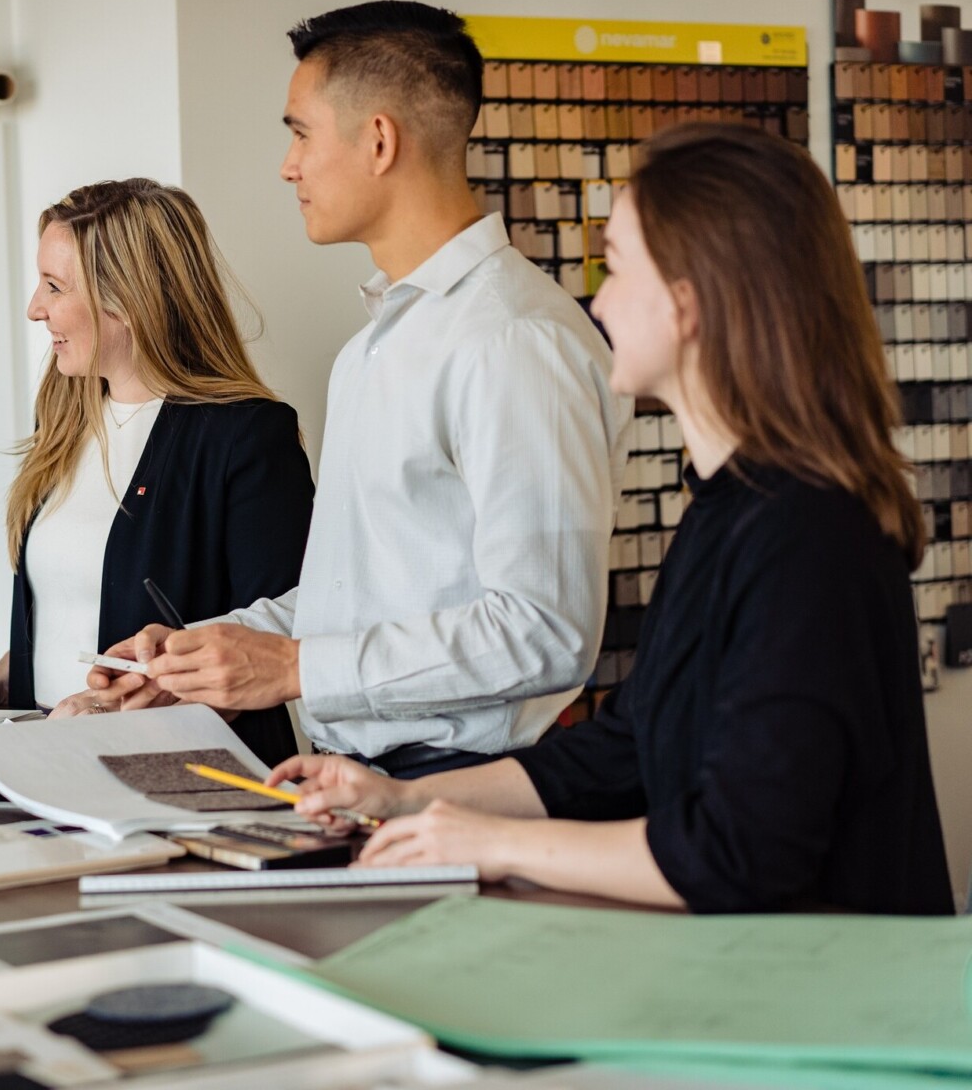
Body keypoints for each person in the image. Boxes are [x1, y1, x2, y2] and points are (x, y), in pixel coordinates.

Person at [274, 122, 955, 916]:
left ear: (689, 302)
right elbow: (627, 745)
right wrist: (403, 799)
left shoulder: (808, 536)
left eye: (618, 267)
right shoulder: (730, 509)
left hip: (833, 1011)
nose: (597, 300)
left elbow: (740, 851)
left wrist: (490, 843)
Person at [89, 1, 630, 778]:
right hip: (361, 777)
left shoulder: (514, 339)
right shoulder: (371, 349)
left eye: (299, 131)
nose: (287, 164)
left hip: (467, 786)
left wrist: (296, 670)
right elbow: (357, 598)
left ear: (378, 140)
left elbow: (543, 631)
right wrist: (208, 655)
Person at [0, 178, 314, 765]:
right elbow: (76, 602)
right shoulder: (64, 419)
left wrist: (125, 702)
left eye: (54, 287)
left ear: (127, 301)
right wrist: (7, 677)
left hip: (192, 773)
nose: (35, 308)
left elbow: (287, 629)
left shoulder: (247, 436)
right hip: (50, 758)